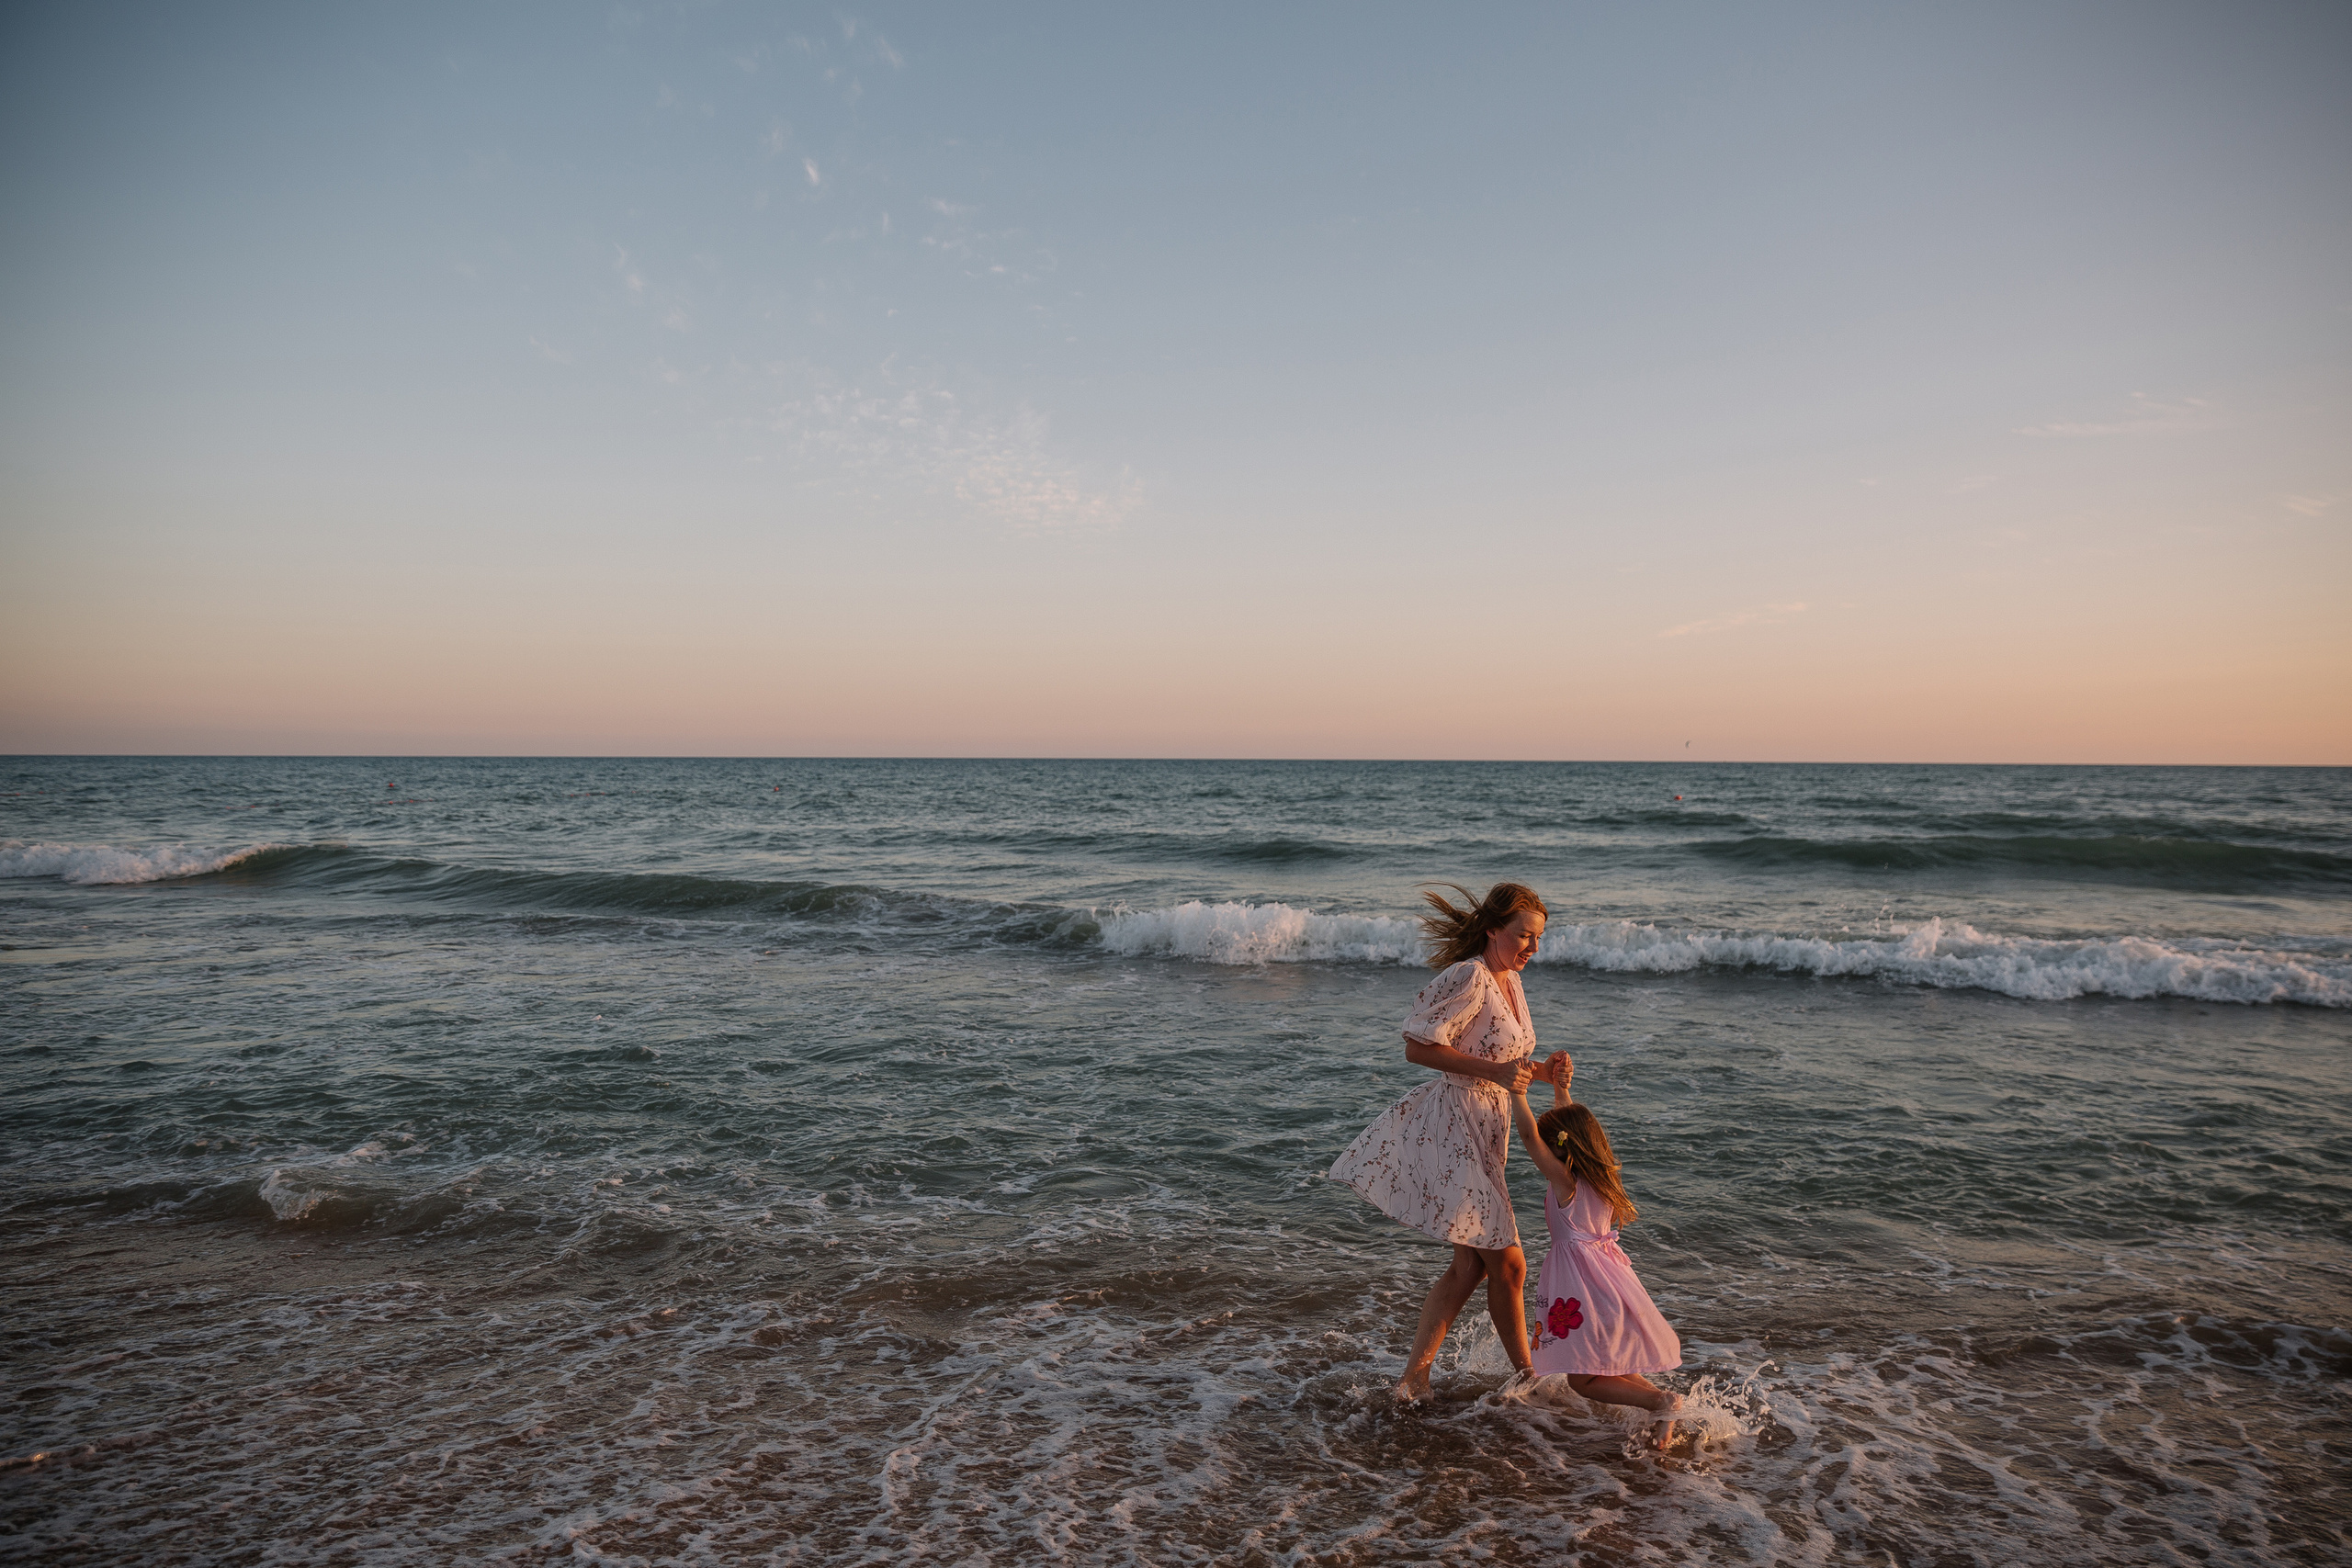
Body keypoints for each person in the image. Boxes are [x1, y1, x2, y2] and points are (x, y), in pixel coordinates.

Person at [1328, 882, 1570, 1402]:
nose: (1532, 948)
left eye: (1539, 938)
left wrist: (1541, 1072)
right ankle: (1528, 1374)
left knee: (1469, 1266)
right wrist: (1498, 1072)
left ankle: (1415, 1377)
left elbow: (1503, 1061)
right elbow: (1418, 1046)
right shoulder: (1470, 976)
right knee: (1507, 1263)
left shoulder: (1510, 980)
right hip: (1455, 1125)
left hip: (1488, 1127)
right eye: (1524, 936)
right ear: (1493, 930)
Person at [1507, 1083, 1688, 1447]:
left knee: (1582, 1379)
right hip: (1611, 1276)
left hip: (1581, 1283)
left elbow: (1527, 1136)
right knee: (1612, 1366)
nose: (1544, 1149)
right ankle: (1664, 1408)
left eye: (1550, 1143)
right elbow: (1569, 1128)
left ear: (1560, 1148)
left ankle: (1660, 1401)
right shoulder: (1601, 1178)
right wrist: (1561, 1089)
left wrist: (1516, 1093)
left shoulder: (1565, 1182)